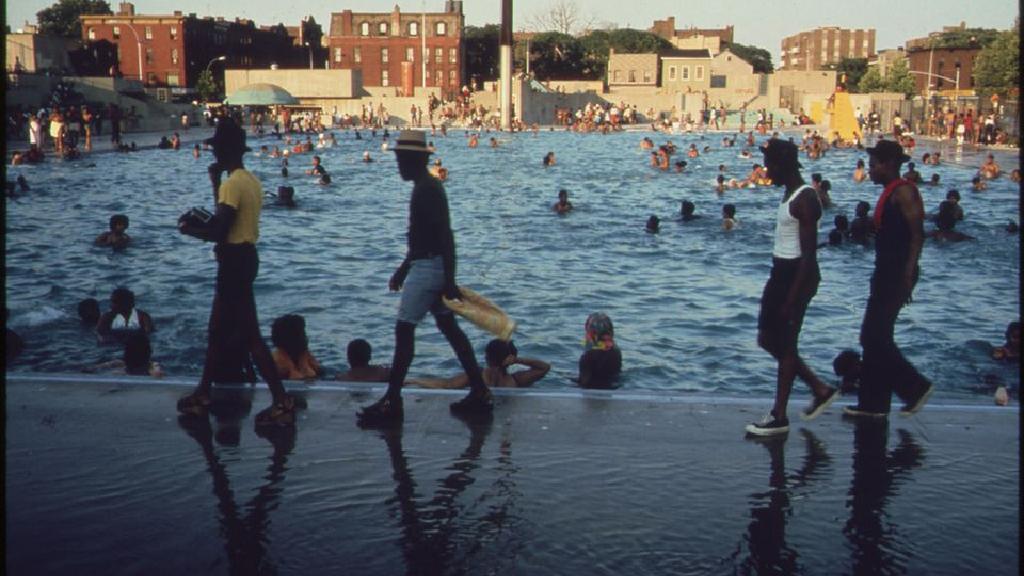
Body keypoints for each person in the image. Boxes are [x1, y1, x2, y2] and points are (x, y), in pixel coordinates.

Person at [356, 130, 493, 425]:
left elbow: (444, 234)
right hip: (429, 266)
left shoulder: (427, 190)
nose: (398, 165)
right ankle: (480, 390)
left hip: (429, 269)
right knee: (450, 331)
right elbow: (427, 236)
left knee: (404, 331)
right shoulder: (426, 187)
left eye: (401, 159)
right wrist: (406, 267)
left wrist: (449, 278)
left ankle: (393, 400)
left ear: (413, 160)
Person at [176, 116, 298, 427]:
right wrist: (215, 183)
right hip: (245, 257)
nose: (214, 154)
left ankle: (281, 399)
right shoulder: (249, 180)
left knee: (250, 335)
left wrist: (189, 230)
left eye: (217, 148)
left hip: (233, 261)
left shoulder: (233, 185)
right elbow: (226, 215)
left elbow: (219, 229)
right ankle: (204, 390)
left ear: (226, 149)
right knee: (216, 331)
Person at [746, 139, 838, 436]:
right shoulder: (790, 193)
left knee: (786, 345)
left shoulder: (805, 199)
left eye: (770, 164)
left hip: (795, 274)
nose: (766, 170)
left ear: (783, 165)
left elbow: (809, 255)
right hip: (780, 272)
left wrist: (793, 295)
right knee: (767, 339)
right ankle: (819, 388)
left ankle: (779, 415)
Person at [845, 140, 933, 418]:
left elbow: (918, 236)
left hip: (896, 272)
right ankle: (873, 404)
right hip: (885, 270)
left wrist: (908, 274)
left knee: (873, 336)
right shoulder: (889, 193)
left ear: (889, 165)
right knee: (874, 337)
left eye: (873, 166)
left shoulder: (905, 192)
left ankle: (915, 387)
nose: (870, 171)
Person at [410, 339, 550, 389]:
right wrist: (517, 360)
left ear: (487, 358)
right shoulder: (516, 380)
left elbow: (447, 384)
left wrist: (412, 380)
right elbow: (544, 368)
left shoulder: (477, 376)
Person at [84, 332, 163, 377]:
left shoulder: (119, 371)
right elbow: (157, 373)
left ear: (126, 354)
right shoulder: (153, 366)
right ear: (149, 352)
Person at [270, 314, 323, 380]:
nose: (306, 337)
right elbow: (298, 380)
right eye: (303, 333)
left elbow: (320, 372)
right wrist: (304, 366)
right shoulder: (278, 362)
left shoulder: (303, 354)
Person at [577, 313, 622, 389]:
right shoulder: (616, 351)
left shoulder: (588, 356)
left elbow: (584, 383)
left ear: (591, 333)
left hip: (591, 390)